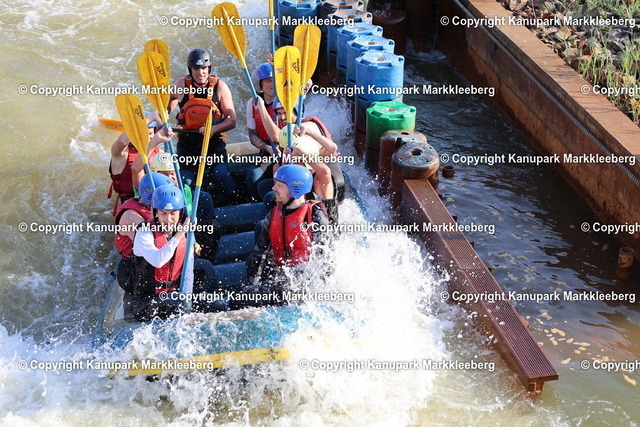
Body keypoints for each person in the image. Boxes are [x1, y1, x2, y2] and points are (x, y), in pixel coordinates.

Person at [130, 184, 225, 320]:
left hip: (174, 294)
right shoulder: (144, 231)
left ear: (180, 213)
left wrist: (187, 298)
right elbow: (158, 261)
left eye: (173, 213)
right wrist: (180, 234)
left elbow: (188, 272)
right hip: (147, 301)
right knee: (177, 308)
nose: (168, 219)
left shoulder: (183, 231)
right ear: (156, 213)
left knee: (217, 304)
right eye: (163, 213)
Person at [245, 165, 330, 298]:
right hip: (281, 274)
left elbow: (327, 259)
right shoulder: (273, 214)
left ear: (295, 188)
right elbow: (260, 253)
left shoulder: (315, 215)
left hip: (305, 280)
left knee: (283, 288)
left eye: (279, 185)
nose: (274, 188)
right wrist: (253, 286)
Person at [167, 48, 237, 203]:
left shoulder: (220, 87)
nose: (200, 73)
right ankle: (191, 209)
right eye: (196, 69)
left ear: (209, 68)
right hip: (187, 143)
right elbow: (170, 101)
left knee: (221, 174)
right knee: (186, 181)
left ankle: (233, 202)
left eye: (204, 68)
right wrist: (165, 115)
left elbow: (232, 120)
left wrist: (213, 129)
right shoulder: (180, 85)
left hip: (213, 142)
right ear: (190, 70)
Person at [149, 152, 221, 260]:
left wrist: (193, 241)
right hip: (162, 230)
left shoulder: (184, 189)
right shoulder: (149, 190)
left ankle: (206, 258)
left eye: (172, 173)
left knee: (213, 226)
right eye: (164, 174)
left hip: (180, 226)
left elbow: (187, 216)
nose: (170, 178)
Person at [114, 172, 174, 293]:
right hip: (133, 270)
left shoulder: (148, 205)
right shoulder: (131, 216)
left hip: (150, 263)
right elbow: (155, 245)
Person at [108, 111, 164, 213]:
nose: (148, 138)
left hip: (154, 202)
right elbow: (122, 141)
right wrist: (149, 119)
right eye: (144, 134)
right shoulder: (121, 154)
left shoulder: (159, 152)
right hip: (128, 204)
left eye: (150, 133)